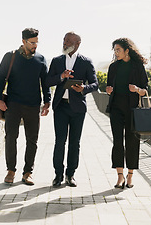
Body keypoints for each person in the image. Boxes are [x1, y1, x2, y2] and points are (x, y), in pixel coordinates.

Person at [0, 28, 51, 186]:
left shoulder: (40, 59)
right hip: (13, 104)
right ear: (23, 41)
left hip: (33, 105)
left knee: (32, 140)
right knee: (11, 137)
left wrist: (47, 101)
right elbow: (0, 78)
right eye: (32, 42)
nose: (35, 45)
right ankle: (10, 171)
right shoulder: (10, 56)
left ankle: (28, 172)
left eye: (36, 42)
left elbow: (45, 83)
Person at [46, 32, 98, 187]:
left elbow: (95, 84)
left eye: (68, 41)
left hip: (78, 109)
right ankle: (58, 175)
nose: (64, 43)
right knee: (60, 141)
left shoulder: (86, 62)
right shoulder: (57, 61)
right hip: (60, 106)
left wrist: (83, 88)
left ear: (77, 43)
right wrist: (61, 76)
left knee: (74, 143)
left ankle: (70, 175)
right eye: (64, 40)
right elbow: (48, 81)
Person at [105, 37, 148, 189]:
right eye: (115, 50)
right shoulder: (113, 67)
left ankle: (130, 176)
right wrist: (108, 90)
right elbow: (109, 87)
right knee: (117, 141)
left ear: (127, 50)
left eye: (118, 50)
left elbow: (145, 90)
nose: (116, 53)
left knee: (132, 141)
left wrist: (136, 89)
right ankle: (119, 176)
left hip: (133, 109)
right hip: (116, 108)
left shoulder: (138, 66)